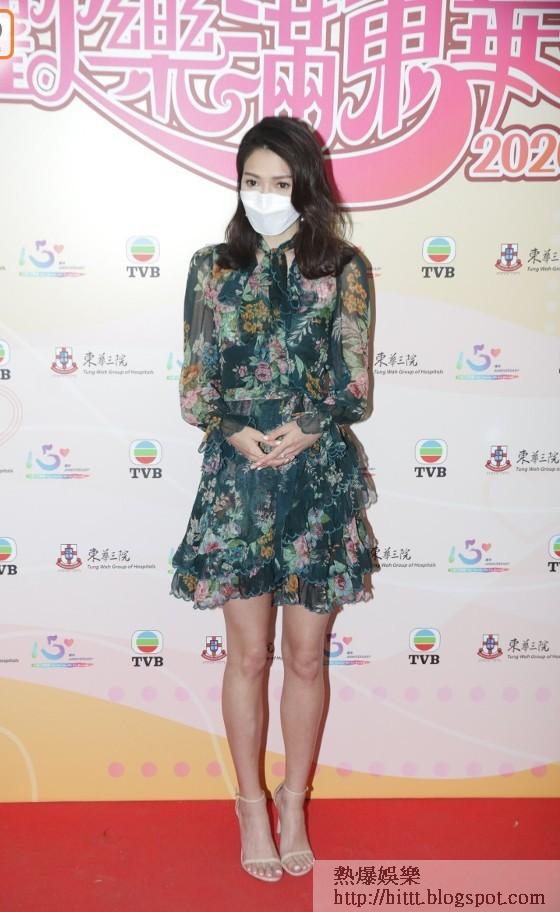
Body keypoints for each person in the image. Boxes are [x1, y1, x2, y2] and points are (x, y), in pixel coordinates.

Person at [169, 115, 379, 882]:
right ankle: (250, 804)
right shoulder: (212, 267)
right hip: (240, 482)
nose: (263, 196)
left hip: (316, 480)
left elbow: (356, 386)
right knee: (249, 655)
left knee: (307, 657)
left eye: (280, 183)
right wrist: (233, 431)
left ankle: (295, 801)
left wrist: (306, 426)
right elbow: (195, 386)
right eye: (251, 182)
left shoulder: (344, 268)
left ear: (307, 188)